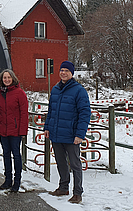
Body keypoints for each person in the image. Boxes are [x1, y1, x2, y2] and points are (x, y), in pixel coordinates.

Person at [44, 61, 91, 204]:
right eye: (61, 70)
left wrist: (80, 135)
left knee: (75, 164)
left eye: (66, 70)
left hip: (71, 134)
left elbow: (84, 113)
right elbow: (51, 110)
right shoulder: (56, 89)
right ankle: (63, 187)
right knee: (60, 162)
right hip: (56, 132)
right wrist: (47, 127)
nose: (63, 73)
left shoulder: (79, 90)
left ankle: (77, 193)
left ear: (72, 73)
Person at [0, 69, 29, 192]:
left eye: (8, 78)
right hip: (3, 130)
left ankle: (17, 181)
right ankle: (7, 179)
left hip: (15, 130)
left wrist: (23, 131)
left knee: (16, 155)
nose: (6, 80)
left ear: (13, 79)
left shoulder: (19, 93)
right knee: (6, 154)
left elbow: (24, 113)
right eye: (4, 78)